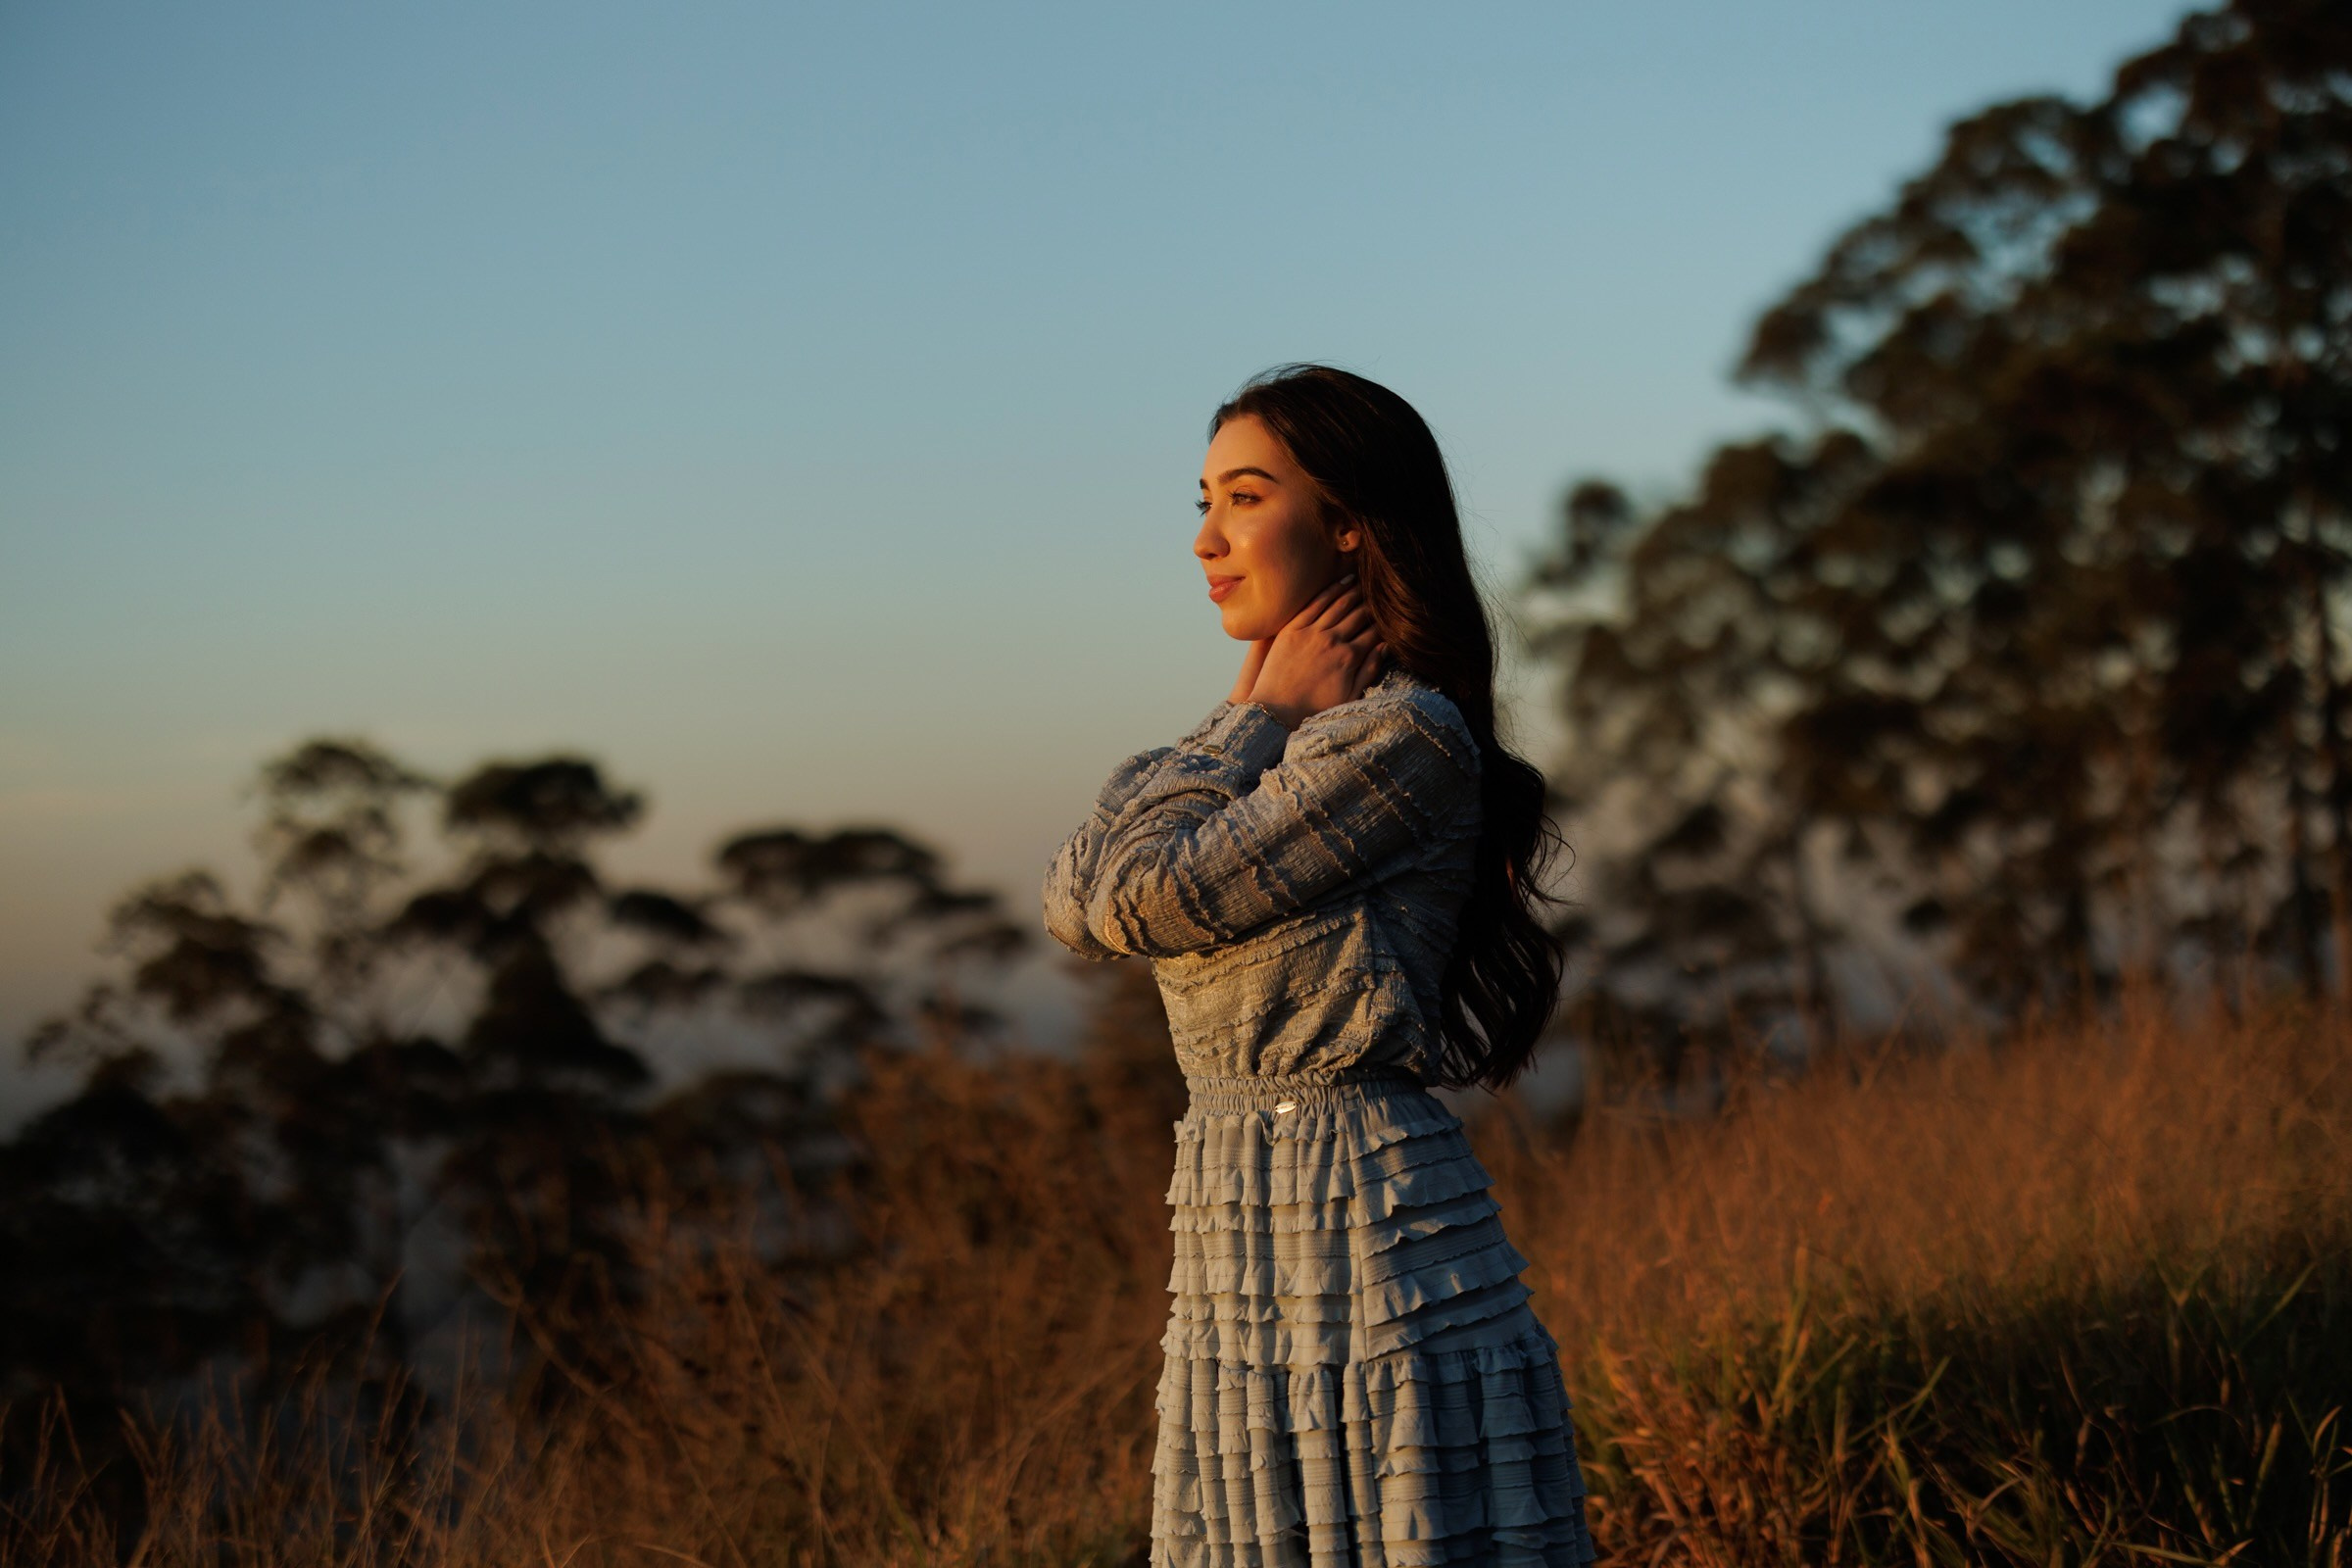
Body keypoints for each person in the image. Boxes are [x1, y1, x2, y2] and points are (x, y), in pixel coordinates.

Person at [1042, 364, 1597, 1566]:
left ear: (1348, 523)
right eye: (1202, 501)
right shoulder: (1274, 745)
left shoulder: (1404, 738)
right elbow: (1071, 900)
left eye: (1244, 498)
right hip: (1243, 1236)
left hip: (1365, 1228)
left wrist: (1251, 722)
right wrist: (1252, 710)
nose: (1205, 539)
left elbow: (1141, 892)